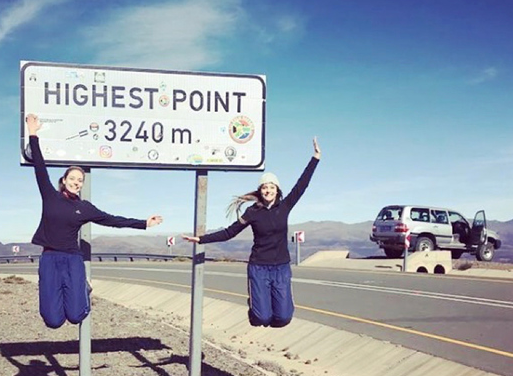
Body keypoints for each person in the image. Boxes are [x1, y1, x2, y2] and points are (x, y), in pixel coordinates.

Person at [24, 113, 163, 329]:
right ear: (64, 180)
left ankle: (83, 289)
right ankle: (73, 292)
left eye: (80, 181)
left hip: (72, 259)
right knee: (53, 320)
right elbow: (39, 167)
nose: (76, 183)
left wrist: (144, 223)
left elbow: (112, 220)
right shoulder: (50, 196)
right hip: (50, 259)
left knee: (77, 315)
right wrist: (33, 132)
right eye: (72, 179)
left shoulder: (84, 208)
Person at [182, 138, 321, 328]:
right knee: (262, 318)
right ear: (260, 190)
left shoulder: (285, 206)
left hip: (281, 268)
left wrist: (315, 158)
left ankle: (271, 308)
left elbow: (301, 185)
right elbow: (230, 232)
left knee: (283, 319)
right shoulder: (252, 213)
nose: (268, 190)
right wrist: (201, 239)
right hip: (259, 268)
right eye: (265, 187)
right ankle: (254, 308)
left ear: (277, 190)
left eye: (272, 187)